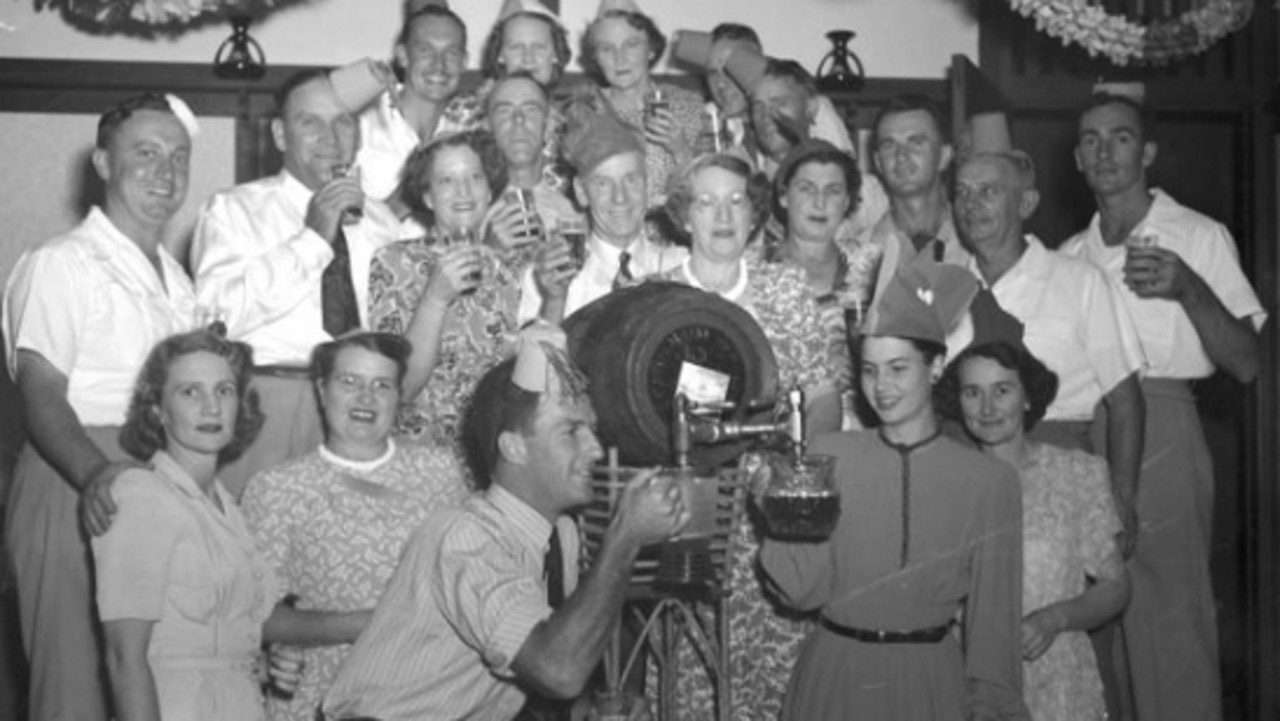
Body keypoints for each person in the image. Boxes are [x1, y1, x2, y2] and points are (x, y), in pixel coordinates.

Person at [322, 324, 689, 720]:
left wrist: (590, 709)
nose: (596, 450)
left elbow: (531, 675)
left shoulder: (560, 535)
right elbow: (557, 670)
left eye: (593, 432)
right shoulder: (465, 536)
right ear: (513, 447)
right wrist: (625, 536)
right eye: (572, 432)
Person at [1060, 92, 1265, 721]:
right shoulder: (1071, 254)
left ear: (1147, 150)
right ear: (1076, 157)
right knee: (1101, 625)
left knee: (1171, 622)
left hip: (1166, 426)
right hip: (1089, 431)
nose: (1105, 151)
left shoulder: (1197, 235)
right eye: (1091, 139)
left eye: (1120, 137)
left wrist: (1188, 287)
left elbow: (1249, 361)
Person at [2, 92, 199, 721]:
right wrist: (98, 476)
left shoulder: (178, 280)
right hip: (80, 477)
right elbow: (40, 394)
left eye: (178, 157)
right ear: (104, 164)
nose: (165, 173)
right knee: (74, 692)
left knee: (145, 691)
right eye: (145, 154)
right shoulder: (61, 263)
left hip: (157, 482)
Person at [759, 262, 1028, 721]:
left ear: (937, 366)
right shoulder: (828, 456)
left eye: (898, 368)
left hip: (930, 688)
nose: (881, 387)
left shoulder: (989, 483)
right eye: (869, 370)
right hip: (834, 679)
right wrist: (775, 507)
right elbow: (801, 592)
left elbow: (993, 635)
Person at [649, 153, 844, 719]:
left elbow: (823, 398)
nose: (722, 214)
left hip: (771, 513)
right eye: (706, 201)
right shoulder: (654, 295)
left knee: (780, 666)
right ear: (684, 215)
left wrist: (797, 477)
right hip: (690, 510)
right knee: (692, 671)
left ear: (756, 212)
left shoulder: (784, 290)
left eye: (736, 200)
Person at [192, 68, 400, 498]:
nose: (330, 136)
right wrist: (313, 239)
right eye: (311, 122)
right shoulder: (234, 210)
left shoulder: (383, 222)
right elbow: (216, 320)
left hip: (363, 410)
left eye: (343, 121)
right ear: (281, 135)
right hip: (270, 404)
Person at [242, 332, 469, 721]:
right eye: (349, 382)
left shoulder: (440, 472)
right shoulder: (277, 488)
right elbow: (254, 616)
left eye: (382, 385)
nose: (366, 398)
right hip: (323, 695)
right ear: (321, 389)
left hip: (428, 694)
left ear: (400, 395)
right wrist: (368, 624)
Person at [953, 150, 1146, 554]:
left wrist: (1123, 500)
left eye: (988, 191)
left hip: (1061, 467)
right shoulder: (944, 288)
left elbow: (1126, 402)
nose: (971, 205)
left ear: (1025, 203)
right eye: (962, 192)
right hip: (969, 473)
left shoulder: (1079, 281)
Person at [92, 330, 284, 721]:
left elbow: (235, 636)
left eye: (224, 390)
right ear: (157, 411)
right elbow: (123, 658)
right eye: (190, 393)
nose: (211, 407)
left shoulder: (228, 507)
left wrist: (271, 664)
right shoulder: (142, 497)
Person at [941, 333, 1130, 721]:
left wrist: (1053, 619)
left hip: (1060, 681)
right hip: (969, 680)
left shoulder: (1078, 472)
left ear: (1027, 398)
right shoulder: (946, 483)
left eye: (1003, 390)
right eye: (973, 393)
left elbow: (1115, 587)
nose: (989, 407)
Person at [367, 129, 528, 449]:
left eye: (475, 176)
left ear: (489, 190)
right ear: (427, 197)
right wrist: (435, 299)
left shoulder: (508, 268)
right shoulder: (395, 261)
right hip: (420, 456)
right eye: (446, 180)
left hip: (489, 453)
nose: (464, 190)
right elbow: (401, 389)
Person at [516, 107, 686, 325]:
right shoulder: (547, 277)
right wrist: (553, 303)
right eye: (603, 184)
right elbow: (532, 359)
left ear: (648, 185)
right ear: (581, 192)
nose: (620, 197)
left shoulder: (680, 266)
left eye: (631, 180)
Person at [765, 140, 882, 423]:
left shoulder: (874, 265)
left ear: (847, 201)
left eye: (833, 191)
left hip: (869, 430)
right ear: (784, 196)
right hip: (785, 430)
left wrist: (861, 367)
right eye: (806, 189)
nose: (820, 203)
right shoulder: (757, 272)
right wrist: (813, 374)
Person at [356, 1, 479, 209]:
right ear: (403, 56)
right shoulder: (362, 124)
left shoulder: (468, 134)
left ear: (464, 62)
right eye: (425, 51)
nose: (439, 65)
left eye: (451, 54)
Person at [580, 0, 701, 207]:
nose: (620, 59)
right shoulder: (583, 113)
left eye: (631, 45)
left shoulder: (689, 106)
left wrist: (681, 150)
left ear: (651, 49)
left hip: (675, 233)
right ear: (596, 58)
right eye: (607, 49)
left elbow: (712, 188)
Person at [867, 95, 973, 307]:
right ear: (878, 162)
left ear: (944, 156)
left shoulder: (976, 242)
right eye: (889, 145)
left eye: (915, 142)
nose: (901, 156)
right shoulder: (863, 256)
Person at [483, 73, 581, 247]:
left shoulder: (574, 217)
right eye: (504, 111)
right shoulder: (468, 214)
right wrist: (489, 252)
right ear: (487, 127)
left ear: (549, 125)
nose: (518, 120)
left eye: (531, 110)